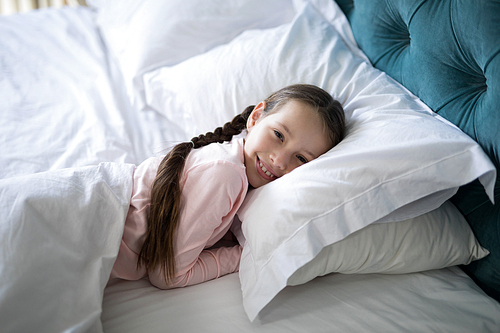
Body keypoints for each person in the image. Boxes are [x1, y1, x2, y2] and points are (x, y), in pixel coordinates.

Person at [109, 84, 346, 289]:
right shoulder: (226, 174)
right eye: (278, 135)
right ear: (255, 118)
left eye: (302, 158)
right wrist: (244, 255)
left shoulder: (234, 168)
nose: (280, 161)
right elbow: (168, 275)